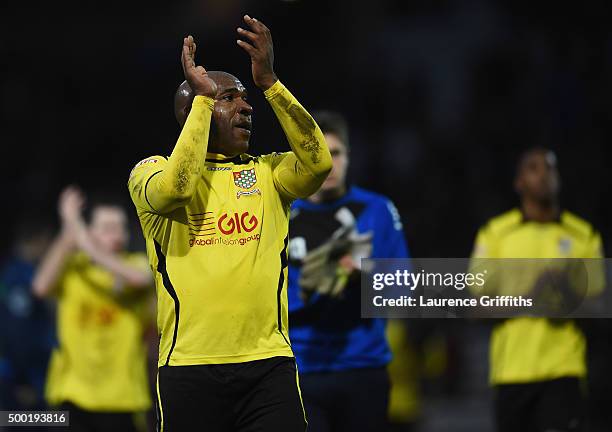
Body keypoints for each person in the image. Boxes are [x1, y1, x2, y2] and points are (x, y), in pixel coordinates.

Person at [127, 15, 332, 432]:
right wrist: (203, 100)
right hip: (189, 366)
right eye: (229, 98)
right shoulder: (149, 172)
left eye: (244, 97)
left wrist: (271, 83)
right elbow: (177, 191)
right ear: (193, 112)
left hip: (267, 366)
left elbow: (318, 163)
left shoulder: (268, 174)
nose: (245, 106)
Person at [286, 111, 409, 431]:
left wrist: (364, 276)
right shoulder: (283, 215)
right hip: (301, 370)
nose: (328, 164)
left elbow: (404, 287)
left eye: (336, 153)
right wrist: (312, 290)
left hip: (363, 366)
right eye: (318, 154)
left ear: (349, 157)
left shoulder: (379, 209)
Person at [470, 148, 604, 432]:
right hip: (511, 373)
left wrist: (566, 298)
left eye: (550, 168)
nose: (543, 175)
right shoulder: (495, 234)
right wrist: (531, 299)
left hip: (564, 370)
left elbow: (600, 307)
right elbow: (476, 306)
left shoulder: (583, 235)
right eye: (534, 168)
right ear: (519, 182)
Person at [32, 187, 153, 432]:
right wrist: (70, 227)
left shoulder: (136, 264)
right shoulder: (74, 267)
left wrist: (83, 240)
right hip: (71, 395)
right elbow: (40, 287)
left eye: (121, 227)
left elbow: (140, 280)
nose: (117, 235)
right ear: (89, 231)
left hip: (123, 398)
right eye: (108, 228)